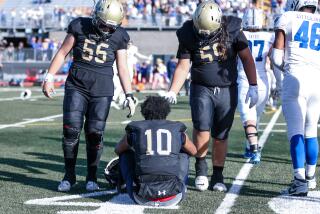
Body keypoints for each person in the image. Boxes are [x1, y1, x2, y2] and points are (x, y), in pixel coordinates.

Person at [42, 0, 136, 192]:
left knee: (95, 133)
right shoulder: (79, 25)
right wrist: (49, 76)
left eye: (111, 27)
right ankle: (69, 176)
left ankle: (91, 176)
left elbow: (123, 68)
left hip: (102, 90)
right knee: (71, 130)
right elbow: (62, 53)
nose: (106, 30)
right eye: (103, 25)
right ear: (95, 17)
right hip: (77, 85)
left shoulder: (120, 36)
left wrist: (129, 93)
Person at [165, 1, 258, 192]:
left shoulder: (232, 28)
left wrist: (253, 84)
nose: (204, 34)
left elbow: (246, 58)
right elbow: (183, 66)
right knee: (201, 128)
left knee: (221, 135)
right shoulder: (188, 32)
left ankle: (218, 175)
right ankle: (200, 169)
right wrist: (173, 90)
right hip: (201, 87)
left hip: (227, 88)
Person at [272, 0, 320, 196]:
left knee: (296, 130)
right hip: (317, 80)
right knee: (311, 130)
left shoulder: (288, 17)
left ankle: (299, 181)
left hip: (295, 77)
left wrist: (289, 71)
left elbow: (276, 58)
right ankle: (310, 178)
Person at [112, 96, 197, 206]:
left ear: (144, 111)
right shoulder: (177, 130)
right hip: (174, 196)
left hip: (141, 196)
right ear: (166, 112)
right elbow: (194, 151)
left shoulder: (136, 130)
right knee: (184, 153)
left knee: (125, 154)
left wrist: (139, 150)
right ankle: (181, 186)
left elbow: (118, 150)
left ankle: (123, 185)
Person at [237, 7, 274, 164]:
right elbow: (273, 61)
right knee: (255, 119)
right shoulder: (269, 36)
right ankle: (249, 147)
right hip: (263, 83)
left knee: (249, 120)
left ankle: (254, 149)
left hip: (245, 81)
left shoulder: (239, 35)